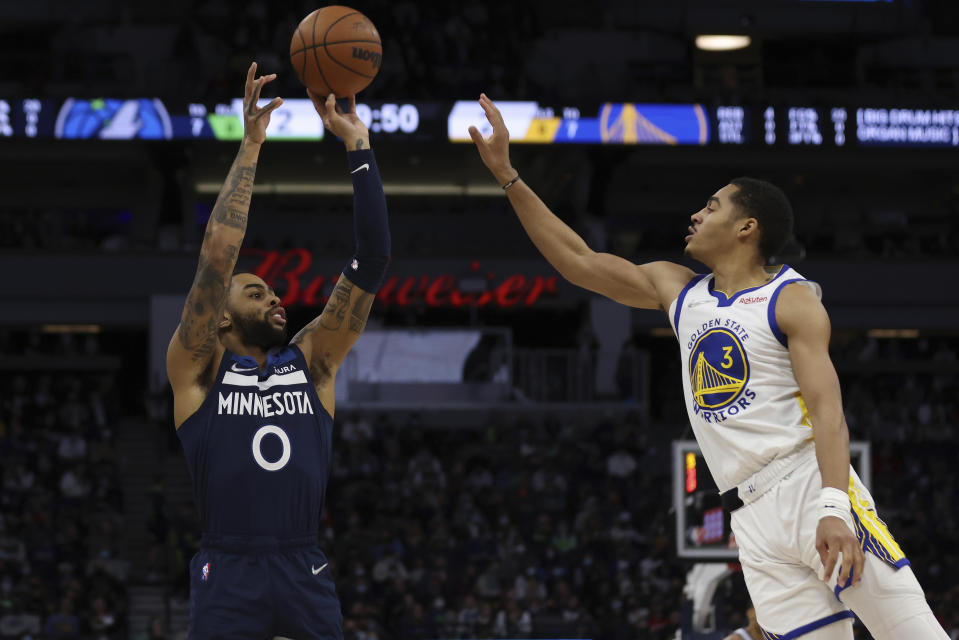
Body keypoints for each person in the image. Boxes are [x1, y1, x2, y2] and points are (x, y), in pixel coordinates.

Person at [468, 94, 948, 640]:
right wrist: (509, 175)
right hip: (747, 516)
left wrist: (834, 507)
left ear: (748, 227)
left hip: (808, 485)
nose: (696, 214)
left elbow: (828, 409)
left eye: (713, 206)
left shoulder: (790, 299)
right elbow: (577, 262)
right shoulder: (679, 290)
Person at [166, 62, 390, 639]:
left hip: (302, 562)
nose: (275, 295)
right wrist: (251, 145)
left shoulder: (312, 359)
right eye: (256, 290)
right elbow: (218, 253)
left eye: (273, 289)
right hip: (228, 565)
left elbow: (373, 260)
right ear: (218, 317)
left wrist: (357, 144)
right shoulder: (196, 369)